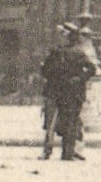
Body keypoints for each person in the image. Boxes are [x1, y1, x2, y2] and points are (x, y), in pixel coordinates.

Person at [56, 22, 96, 161]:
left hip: (65, 91)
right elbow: (92, 69)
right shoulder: (78, 52)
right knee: (71, 122)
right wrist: (80, 79)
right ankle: (69, 152)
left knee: (67, 121)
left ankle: (67, 152)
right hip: (75, 92)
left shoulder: (63, 52)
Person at [39, 25, 71, 159]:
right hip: (59, 92)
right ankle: (53, 150)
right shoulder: (61, 54)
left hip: (58, 92)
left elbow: (44, 71)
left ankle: (57, 151)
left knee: (57, 122)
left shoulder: (57, 54)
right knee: (54, 123)